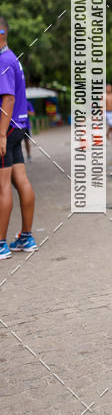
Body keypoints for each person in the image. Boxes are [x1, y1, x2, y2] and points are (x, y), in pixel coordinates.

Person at [0, 17, 36, 258]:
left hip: (7, 128)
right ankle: (26, 237)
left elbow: (8, 98)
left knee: (2, 186)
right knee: (20, 180)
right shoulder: (12, 57)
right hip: (19, 127)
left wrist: (1, 133)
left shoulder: (3, 60)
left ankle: (1, 244)